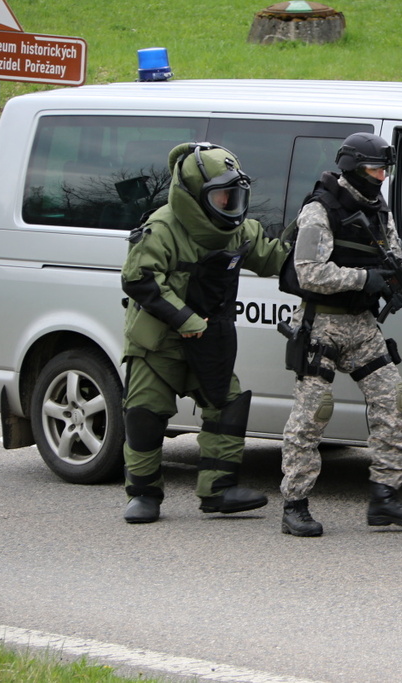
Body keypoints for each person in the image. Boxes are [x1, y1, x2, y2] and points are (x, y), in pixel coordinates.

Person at [120, 142, 289, 524]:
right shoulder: (162, 228)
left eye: (235, 196)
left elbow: (275, 257)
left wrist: (315, 252)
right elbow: (139, 280)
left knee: (226, 405)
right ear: (195, 196)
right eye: (222, 196)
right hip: (158, 341)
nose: (230, 204)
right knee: (146, 413)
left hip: (210, 335)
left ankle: (218, 490)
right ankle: (143, 494)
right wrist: (184, 319)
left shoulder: (240, 230)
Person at [277, 132, 402, 536]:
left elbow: (391, 254)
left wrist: (398, 281)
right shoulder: (319, 210)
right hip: (322, 322)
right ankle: (295, 503)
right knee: (312, 414)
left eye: (384, 170)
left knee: (395, 400)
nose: (381, 177)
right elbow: (309, 271)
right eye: (375, 169)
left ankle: (385, 497)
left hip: (361, 326)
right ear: (353, 168)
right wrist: (365, 279)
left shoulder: (378, 209)